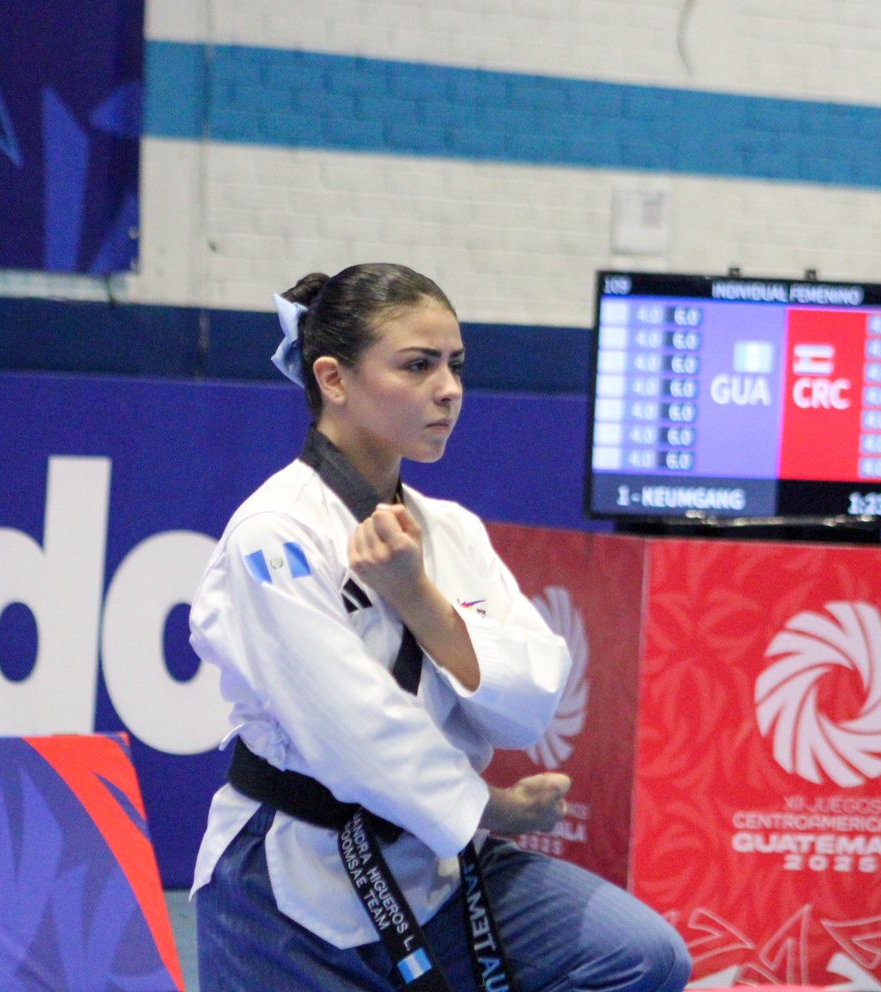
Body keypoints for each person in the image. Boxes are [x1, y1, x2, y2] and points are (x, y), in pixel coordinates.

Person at [188, 263, 692, 992]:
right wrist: (493, 806)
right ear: (333, 379)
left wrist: (419, 598)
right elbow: (352, 736)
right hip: (289, 879)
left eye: (455, 365)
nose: (448, 389)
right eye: (418, 366)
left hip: (437, 867)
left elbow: (532, 701)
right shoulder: (275, 535)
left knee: (642, 956)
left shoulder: (450, 532)